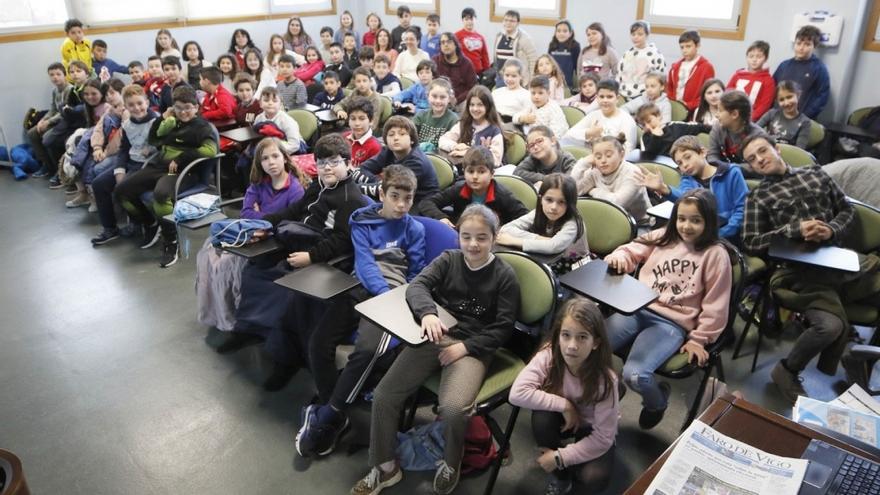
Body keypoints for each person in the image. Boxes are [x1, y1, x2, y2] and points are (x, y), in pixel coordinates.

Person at [350, 204, 520, 495]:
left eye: (481, 237)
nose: (473, 244)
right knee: (385, 395)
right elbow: (417, 287)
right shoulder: (448, 259)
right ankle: (385, 467)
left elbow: (502, 329)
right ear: (458, 235)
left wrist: (464, 348)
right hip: (437, 333)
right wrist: (428, 313)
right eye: (466, 236)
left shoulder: (504, 276)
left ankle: (451, 462)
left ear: (495, 236)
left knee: (453, 409)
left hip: (474, 346)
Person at [294, 165, 426, 454]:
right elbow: (364, 264)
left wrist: (395, 298)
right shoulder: (362, 220)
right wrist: (381, 293)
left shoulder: (414, 229)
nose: (402, 205)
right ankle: (336, 411)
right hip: (360, 288)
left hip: (392, 297)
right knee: (319, 343)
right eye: (395, 196)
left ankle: (328, 415)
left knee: (367, 350)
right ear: (382, 194)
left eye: (408, 198)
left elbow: (417, 272)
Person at [740, 133, 880, 404]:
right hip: (799, 272)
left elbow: (847, 211)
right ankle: (787, 371)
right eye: (752, 159)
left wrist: (830, 230)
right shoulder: (757, 196)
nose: (759, 160)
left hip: (837, 259)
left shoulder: (815, 174)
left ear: (776, 149)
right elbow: (751, 242)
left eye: (762, 152)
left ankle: (862, 358)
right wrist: (794, 230)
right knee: (830, 326)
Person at [215, 134, 370, 357]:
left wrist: (311, 256)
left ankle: (283, 357)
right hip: (299, 240)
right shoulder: (319, 184)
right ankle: (249, 330)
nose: (327, 168)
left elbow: (342, 240)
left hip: (325, 257)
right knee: (254, 271)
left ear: (348, 163)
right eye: (322, 163)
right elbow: (295, 210)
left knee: (285, 291)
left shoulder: (351, 198)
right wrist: (264, 225)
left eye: (334, 162)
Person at [604, 189, 731, 428]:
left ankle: (657, 403)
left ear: (709, 221)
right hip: (635, 307)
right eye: (681, 219)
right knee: (593, 349)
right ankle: (605, 394)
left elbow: (717, 304)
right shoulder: (664, 236)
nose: (686, 226)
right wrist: (620, 257)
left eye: (696, 220)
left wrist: (699, 339)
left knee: (635, 375)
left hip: (671, 323)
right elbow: (630, 249)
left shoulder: (716, 255)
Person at [195, 137, 308, 332]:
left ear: (285, 158)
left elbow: (288, 224)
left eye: (275, 156)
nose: (271, 162)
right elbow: (245, 213)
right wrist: (263, 219)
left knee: (226, 265)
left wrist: (260, 216)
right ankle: (219, 313)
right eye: (265, 158)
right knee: (209, 253)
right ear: (259, 163)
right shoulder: (258, 184)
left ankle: (235, 318)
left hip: (273, 245)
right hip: (251, 237)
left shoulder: (295, 189)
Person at [509, 298, 618, 494]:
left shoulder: (605, 381)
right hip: (565, 418)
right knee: (542, 419)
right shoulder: (548, 355)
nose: (572, 346)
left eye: (582, 337)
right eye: (566, 335)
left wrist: (560, 457)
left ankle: (566, 472)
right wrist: (565, 405)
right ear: (557, 335)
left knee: (594, 477)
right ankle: (561, 478)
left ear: (596, 343)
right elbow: (517, 393)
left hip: (592, 425)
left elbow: (603, 438)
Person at [114, 85, 218, 268]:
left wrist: (181, 157)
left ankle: (171, 242)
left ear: (196, 107)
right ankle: (150, 222)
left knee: (161, 195)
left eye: (188, 108)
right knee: (121, 191)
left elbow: (210, 150)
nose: (183, 112)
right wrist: (164, 118)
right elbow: (154, 139)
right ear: (173, 108)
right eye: (179, 108)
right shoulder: (172, 122)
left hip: (180, 170)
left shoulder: (201, 127)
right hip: (159, 165)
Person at [636, 135, 748, 241]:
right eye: (679, 163)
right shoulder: (687, 179)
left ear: (702, 152)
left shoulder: (731, 172)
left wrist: (719, 235)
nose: (684, 165)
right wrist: (664, 189)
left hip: (728, 236)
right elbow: (686, 198)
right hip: (698, 236)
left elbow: (742, 210)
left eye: (688, 157)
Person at [89, 84, 159, 244]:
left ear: (147, 102)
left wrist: (151, 150)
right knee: (99, 184)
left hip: (148, 167)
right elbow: (124, 150)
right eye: (131, 105)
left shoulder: (156, 122)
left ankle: (148, 222)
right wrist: (119, 170)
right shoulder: (127, 125)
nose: (137, 108)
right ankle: (110, 228)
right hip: (131, 164)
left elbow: (162, 149)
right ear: (125, 107)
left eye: (140, 103)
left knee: (123, 189)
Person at [420, 146, 528, 227]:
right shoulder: (459, 188)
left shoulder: (502, 195)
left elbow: (524, 217)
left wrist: (504, 230)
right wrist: (441, 217)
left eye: (481, 172)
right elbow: (426, 203)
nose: (475, 177)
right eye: (470, 171)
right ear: (464, 172)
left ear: (492, 174)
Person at [497, 173, 589, 267]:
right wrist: (540, 239)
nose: (553, 207)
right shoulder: (539, 212)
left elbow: (553, 246)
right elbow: (506, 229)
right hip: (548, 259)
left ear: (570, 203)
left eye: (562, 202)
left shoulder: (573, 223)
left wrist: (513, 241)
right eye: (549, 200)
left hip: (576, 265)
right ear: (541, 199)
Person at [357, 116, 440, 209]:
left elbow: (393, 188)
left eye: (402, 134)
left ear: (412, 139)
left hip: (420, 205)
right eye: (391, 135)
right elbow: (361, 169)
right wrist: (378, 182)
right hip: (395, 199)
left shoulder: (417, 161)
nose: (396, 138)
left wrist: (356, 188)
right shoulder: (387, 151)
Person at [570, 135, 651, 225]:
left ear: (621, 155)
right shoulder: (595, 170)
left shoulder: (633, 173)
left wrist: (593, 190)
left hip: (640, 224)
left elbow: (617, 204)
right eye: (598, 157)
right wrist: (583, 163)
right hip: (607, 222)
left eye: (608, 155)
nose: (603, 160)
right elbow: (575, 191)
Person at [439, 85, 505, 167]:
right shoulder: (464, 124)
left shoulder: (494, 131)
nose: (475, 109)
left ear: (488, 106)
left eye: (480, 105)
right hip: (463, 169)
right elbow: (443, 140)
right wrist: (456, 146)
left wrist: (469, 152)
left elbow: (496, 160)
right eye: (472, 105)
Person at [565, 79, 637, 152]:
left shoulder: (626, 120)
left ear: (617, 98)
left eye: (609, 97)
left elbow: (627, 151)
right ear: (597, 98)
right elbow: (568, 135)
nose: (605, 100)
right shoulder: (594, 115)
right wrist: (589, 133)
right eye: (601, 97)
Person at [773, 25, 830, 119]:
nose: (801, 48)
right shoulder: (784, 65)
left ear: (814, 47)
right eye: (798, 43)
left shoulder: (819, 68)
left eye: (807, 44)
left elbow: (822, 97)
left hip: (801, 119)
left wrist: (804, 117)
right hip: (778, 117)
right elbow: (773, 89)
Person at [27, 63, 71, 178]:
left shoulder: (69, 90)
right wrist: (42, 120)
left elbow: (65, 112)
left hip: (65, 121)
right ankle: (47, 166)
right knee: (32, 133)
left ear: (64, 75)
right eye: (51, 75)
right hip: (54, 120)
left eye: (58, 74)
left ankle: (59, 169)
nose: (55, 77)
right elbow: (53, 109)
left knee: (47, 137)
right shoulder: (55, 91)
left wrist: (49, 122)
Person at [707, 90, 763, 167]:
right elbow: (711, 157)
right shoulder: (718, 128)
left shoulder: (758, 135)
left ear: (734, 114)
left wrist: (728, 168)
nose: (716, 115)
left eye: (720, 111)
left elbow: (756, 166)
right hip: (723, 173)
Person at [636, 103, 710, 157]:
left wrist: (718, 129)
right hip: (659, 168)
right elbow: (647, 158)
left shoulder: (675, 126)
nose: (648, 126)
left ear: (658, 116)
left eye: (649, 121)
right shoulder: (645, 137)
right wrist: (656, 138)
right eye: (643, 125)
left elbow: (698, 127)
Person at [666, 30, 715, 112]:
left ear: (697, 45)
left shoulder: (706, 67)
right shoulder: (675, 68)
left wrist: (689, 105)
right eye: (682, 47)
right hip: (675, 110)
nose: (684, 50)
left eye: (688, 46)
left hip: (695, 111)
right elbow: (669, 88)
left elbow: (708, 93)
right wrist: (673, 104)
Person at [727, 40, 776, 122]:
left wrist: (748, 119)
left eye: (759, 57)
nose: (754, 60)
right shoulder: (738, 75)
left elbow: (764, 105)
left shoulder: (768, 80)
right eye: (751, 56)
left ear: (765, 58)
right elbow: (727, 94)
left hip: (751, 121)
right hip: (732, 117)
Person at [617, 21, 666, 101]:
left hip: (644, 96)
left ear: (647, 35)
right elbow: (619, 74)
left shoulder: (655, 54)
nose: (636, 37)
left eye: (640, 34)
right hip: (623, 94)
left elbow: (661, 77)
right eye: (633, 34)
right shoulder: (627, 53)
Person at [756, 81, 813, 150]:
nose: (786, 103)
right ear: (777, 101)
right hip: (768, 151)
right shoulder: (771, 113)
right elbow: (754, 130)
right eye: (781, 100)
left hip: (788, 156)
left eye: (789, 97)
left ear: (798, 95)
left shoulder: (805, 122)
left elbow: (799, 150)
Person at [513, 75, 569, 140]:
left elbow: (555, 134)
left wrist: (536, 138)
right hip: (532, 137)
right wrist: (523, 118)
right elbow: (515, 118)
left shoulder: (554, 108)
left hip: (551, 142)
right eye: (533, 93)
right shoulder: (531, 105)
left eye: (540, 93)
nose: (536, 96)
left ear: (548, 93)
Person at [492, 10, 538, 86]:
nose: (508, 23)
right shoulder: (499, 36)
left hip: (518, 78)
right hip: (501, 77)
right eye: (506, 20)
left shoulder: (524, 38)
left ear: (518, 23)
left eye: (512, 21)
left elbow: (533, 59)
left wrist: (532, 79)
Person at [433, 32, 477, 108]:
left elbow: (472, 87)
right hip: (439, 99)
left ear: (456, 45)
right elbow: (431, 83)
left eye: (449, 42)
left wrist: (457, 100)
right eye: (442, 42)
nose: (445, 45)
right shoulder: (435, 61)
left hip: (460, 101)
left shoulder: (466, 63)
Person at [254, 87, 303, 155]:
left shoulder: (287, 120)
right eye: (266, 100)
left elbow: (294, 145)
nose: (270, 103)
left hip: (289, 150)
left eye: (274, 101)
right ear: (260, 104)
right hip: (266, 148)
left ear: (280, 104)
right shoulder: (258, 118)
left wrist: (273, 151)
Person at [334, 67, 383, 134]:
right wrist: (339, 110)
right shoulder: (355, 92)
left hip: (367, 131)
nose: (361, 84)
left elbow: (373, 124)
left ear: (370, 82)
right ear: (354, 83)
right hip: (351, 126)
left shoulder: (375, 98)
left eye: (364, 81)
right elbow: (339, 105)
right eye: (358, 81)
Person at [413, 78, 458, 151]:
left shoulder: (453, 120)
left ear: (449, 99)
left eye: (442, 97)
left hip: (440, 158)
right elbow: (410, 137)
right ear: (428, 96)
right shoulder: (420, 116)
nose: (438, 101)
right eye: (434, 96)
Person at [344, 97, 383, 167]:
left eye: (362, 119)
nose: (357, 123)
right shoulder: (343, 138)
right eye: (353, 119)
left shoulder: (375, 147)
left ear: (371, 121)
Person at [455, 7, 491, 77]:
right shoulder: (456, 36)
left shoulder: (480, 37)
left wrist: (487, 71)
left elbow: (485, 56)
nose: (469, 22)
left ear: (476, 19)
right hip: (462, 71)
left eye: (471, 19)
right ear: (462, 20)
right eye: (466, 19)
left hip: (478, 72)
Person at [549, 20, 580, 90]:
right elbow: (548, 63)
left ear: (570, 33)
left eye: (565, 31)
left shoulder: (575, 46)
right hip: (552, 82)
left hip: (567, 84)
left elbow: (577, 66)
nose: (561, 33)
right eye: (558, 31)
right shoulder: (552, 45)